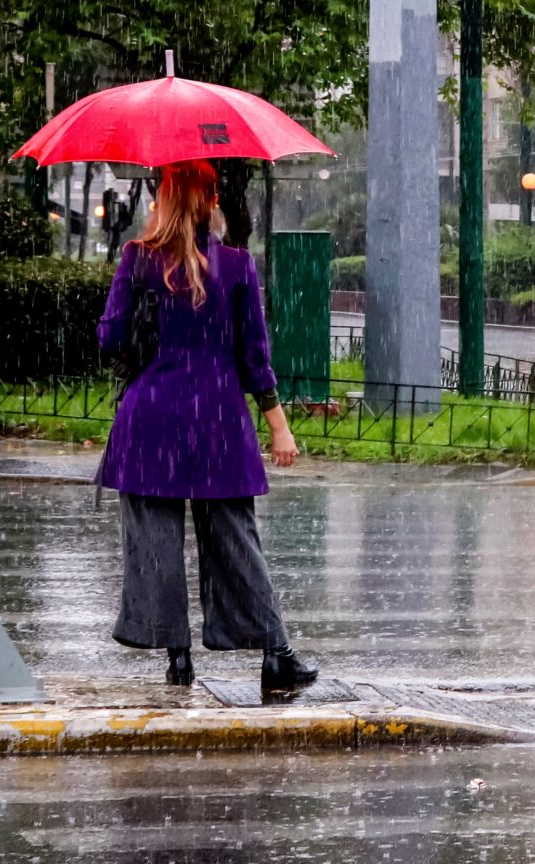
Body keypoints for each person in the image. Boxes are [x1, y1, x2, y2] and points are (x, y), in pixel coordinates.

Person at [97, 159, 318, 690]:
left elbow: (109, 338)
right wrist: (279, 427)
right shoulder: (238, 266)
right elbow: (254, 356)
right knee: (236, 540)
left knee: (154, 541)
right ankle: (274, 654)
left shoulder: (137, 259)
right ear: (211, 202)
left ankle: (176, 656)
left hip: (150, 420)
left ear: (165, 200)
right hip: (217, 421)